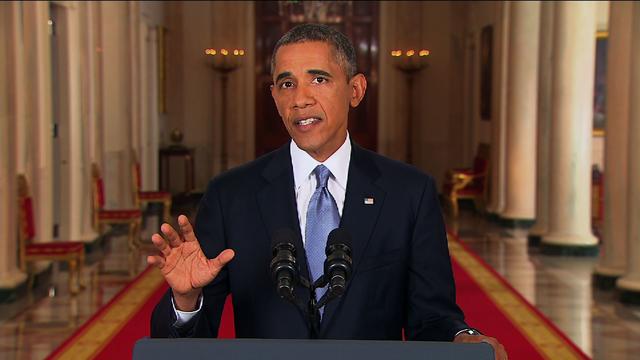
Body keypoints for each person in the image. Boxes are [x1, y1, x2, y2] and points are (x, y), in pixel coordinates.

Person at [148, 23, 506, 359]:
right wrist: (185, 300)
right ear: (274, 96)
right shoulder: (231, 196)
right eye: (286, 84)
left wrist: (463, 339)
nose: (300, 99)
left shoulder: (409, 193)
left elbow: (433, 318)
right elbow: (184, 344)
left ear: (355, 90)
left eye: (318, 79)